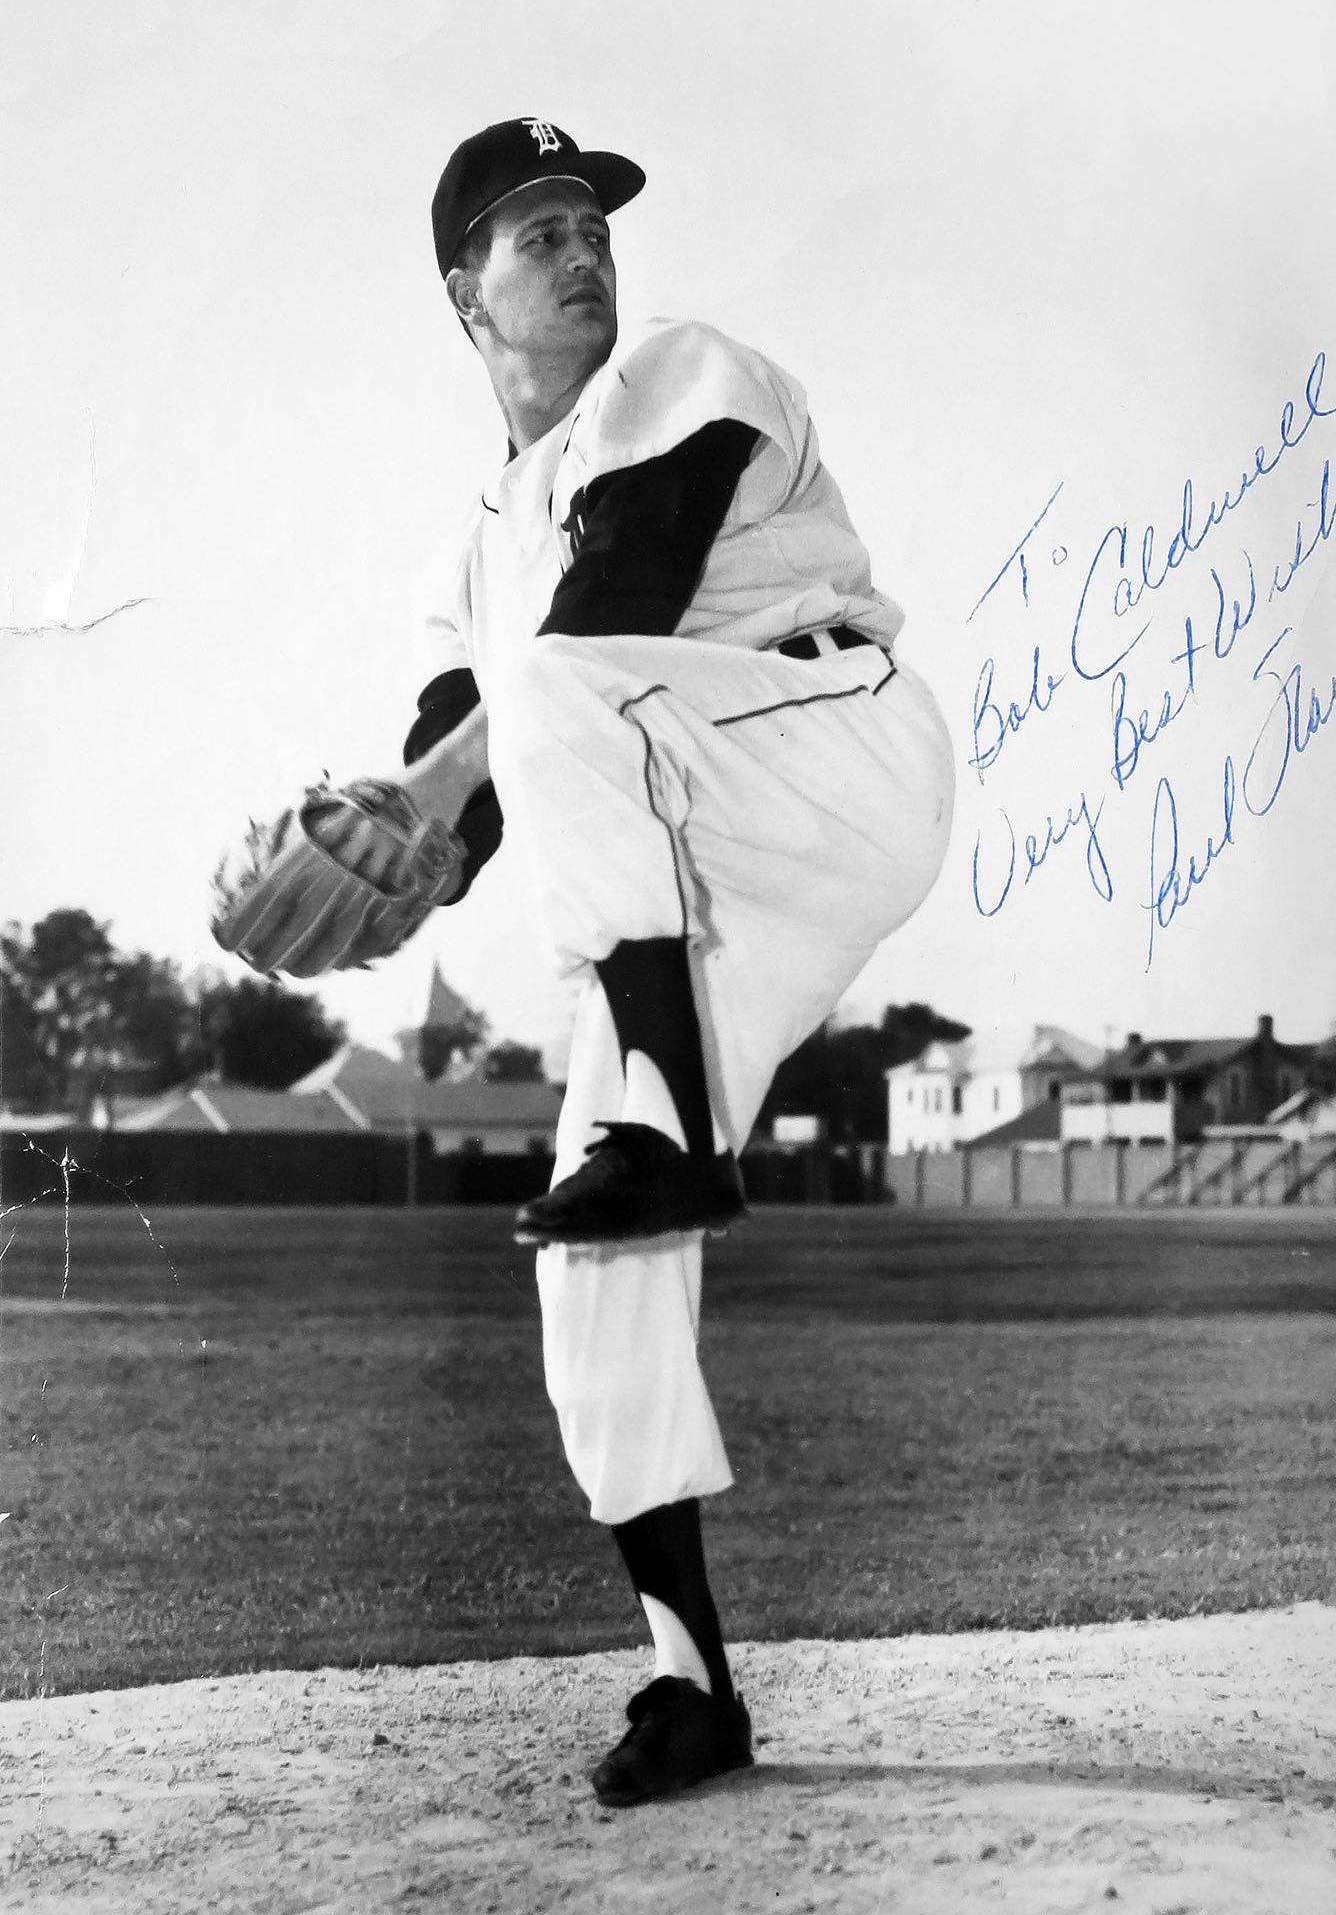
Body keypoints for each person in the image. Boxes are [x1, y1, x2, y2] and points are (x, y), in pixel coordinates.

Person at [391, 116, 954, 1806]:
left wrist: (432, 792)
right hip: (695, 873)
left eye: (593, 225)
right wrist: (380, 859)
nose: (584, 251)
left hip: (827, 746)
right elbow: (466, 801)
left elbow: (611, 611)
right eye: (538, 232)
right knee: (587, 1269)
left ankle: (670, 1135)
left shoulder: (683, 370)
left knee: (560, 681)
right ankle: (692, 1684)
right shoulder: (477, 549)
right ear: (464, 293)